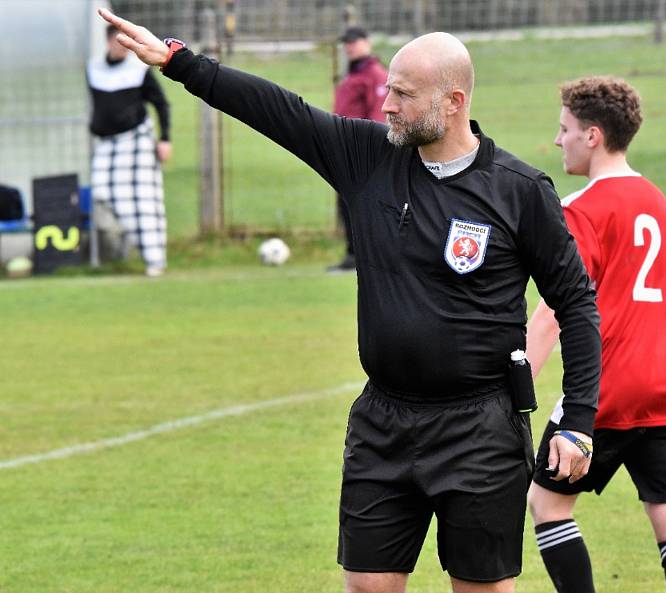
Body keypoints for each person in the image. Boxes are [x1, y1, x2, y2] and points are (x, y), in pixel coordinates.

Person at [98, 9, 602, 593]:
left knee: (482, 589)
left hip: (479, 428)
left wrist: (579, 421)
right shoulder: (367, 158)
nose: (386, 104)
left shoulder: (519, 191)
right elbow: (280, 112)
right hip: (384, 422)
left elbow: (575, 303)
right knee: (367, 585)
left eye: (404, 94)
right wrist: (181, 64)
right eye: (388, 88)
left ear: (454, 100)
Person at [526, 76, 666, 593]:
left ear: (593, 135)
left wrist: (515, 383)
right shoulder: (658, 200)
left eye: (564, 129)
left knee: (547, 504)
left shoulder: (583, 209)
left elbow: (555, 311)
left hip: (610, 387)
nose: (557, 140)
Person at [87, 24, 173, 277]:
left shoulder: (139, 70)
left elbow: (161, 103)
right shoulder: (94, 69)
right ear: (108, 42)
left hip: (136, 141)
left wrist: (165, 138)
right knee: (101, 189)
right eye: (118, 41)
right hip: (106, 144)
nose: (121, 47)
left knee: (145, 202)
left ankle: (155, 260)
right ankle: (127, 234)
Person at [328, 26, 388, 272]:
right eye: (346, 43)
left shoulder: (374, 74)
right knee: (346, 202)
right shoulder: (352, 75)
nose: (349, 46)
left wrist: (370, 148)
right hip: (345, 149)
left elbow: (379, 113)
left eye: (354, 42)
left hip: (362, 150)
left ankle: (366, 255)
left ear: (366, 42)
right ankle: (354, 253)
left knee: (364, 202)